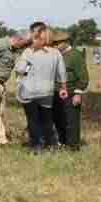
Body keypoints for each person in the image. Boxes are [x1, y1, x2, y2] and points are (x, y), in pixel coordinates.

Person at [15, 23, 68, 151]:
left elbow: (20, 69)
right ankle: (51, 144)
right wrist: (63, 87)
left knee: (33, 120)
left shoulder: (28, 52)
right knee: (47, 119)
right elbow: (61, 72)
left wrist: (26, 68)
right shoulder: (56, 52)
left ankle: (36, 145)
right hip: (47, 91)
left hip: (29, 91)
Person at [51, 31, 87, 149]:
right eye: (54, 43)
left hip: (71, 93)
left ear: (66, 42)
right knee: (58, 118)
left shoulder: (75, 55)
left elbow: (83, 77)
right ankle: (62, 142)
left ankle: (73, 146)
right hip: (56, 93)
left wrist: (78, 93)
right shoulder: (56, 55)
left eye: (57, 43)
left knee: (71, 120)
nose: (55, 45)